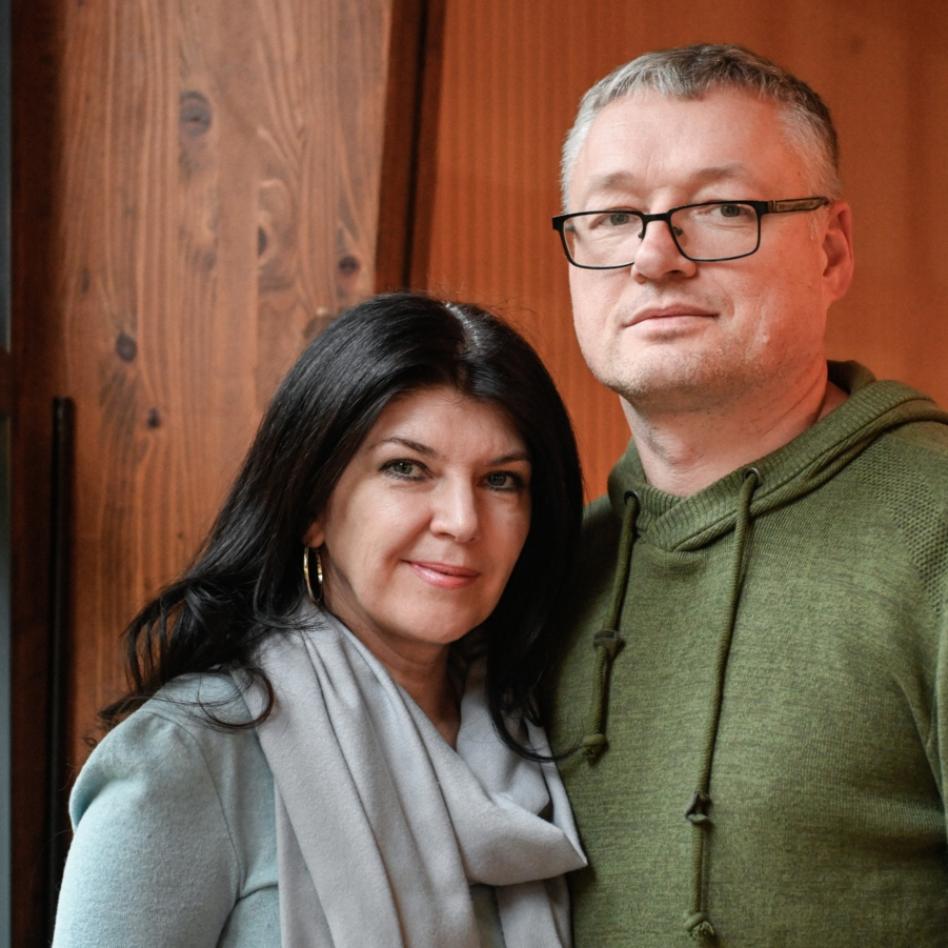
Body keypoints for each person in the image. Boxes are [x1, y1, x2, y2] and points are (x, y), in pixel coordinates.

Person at [546, 43, 948, 946]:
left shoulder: (937, 532)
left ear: (832, 250)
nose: (655, 258)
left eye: (724, 209)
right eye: (612, 216)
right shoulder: (545, 570)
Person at [52, 292, 587, 947]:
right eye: (407, 469)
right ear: (311, 506)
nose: (463, 520)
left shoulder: (533, 741)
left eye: (502, 481)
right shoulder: (188, 757)